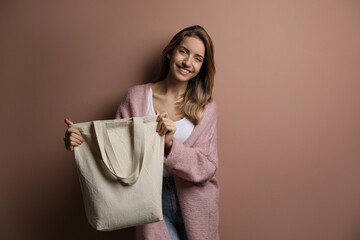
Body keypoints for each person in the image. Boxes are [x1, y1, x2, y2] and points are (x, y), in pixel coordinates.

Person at [64, 25, 219, 240]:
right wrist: (82, 143)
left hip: (197, 203)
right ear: (170, 52)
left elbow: (208, 166)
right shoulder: (136, 98)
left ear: (202, 66)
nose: (187, 62)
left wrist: (170, 145)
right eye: (183, 51)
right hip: (148, 200)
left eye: (198, 58)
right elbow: (117, 153)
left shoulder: (206, 107)